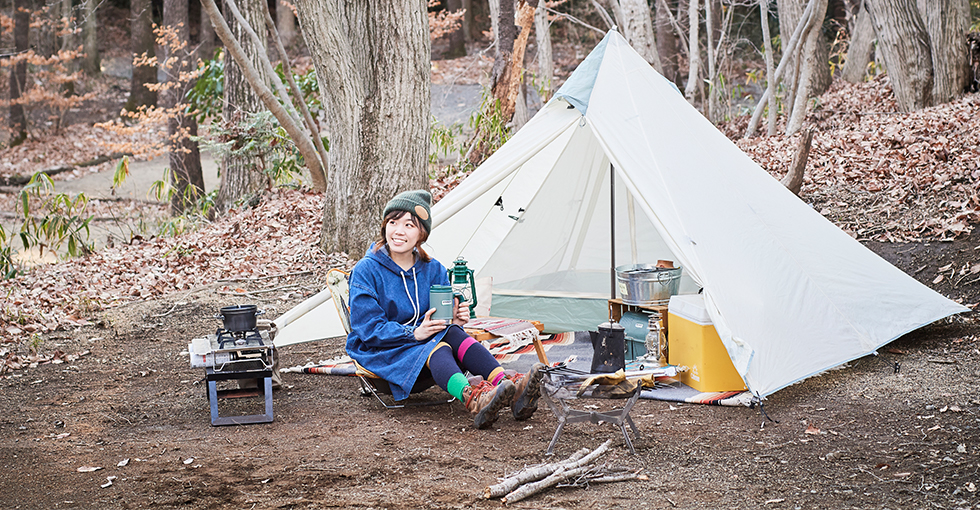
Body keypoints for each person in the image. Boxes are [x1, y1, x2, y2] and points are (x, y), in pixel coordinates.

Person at [345, 189, 544, 429]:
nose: (398, 231)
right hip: (384, 354)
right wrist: (414, 333)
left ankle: (509, 387)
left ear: (421, 233)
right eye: (393, 222)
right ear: (384, 225)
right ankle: (473, 398)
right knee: (436, 344)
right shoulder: (366, 270)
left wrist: (455, 319)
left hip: (428, 356)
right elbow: (367, 329)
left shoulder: (433, 269)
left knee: (453, 334)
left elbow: (440, 321)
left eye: (409, 225)